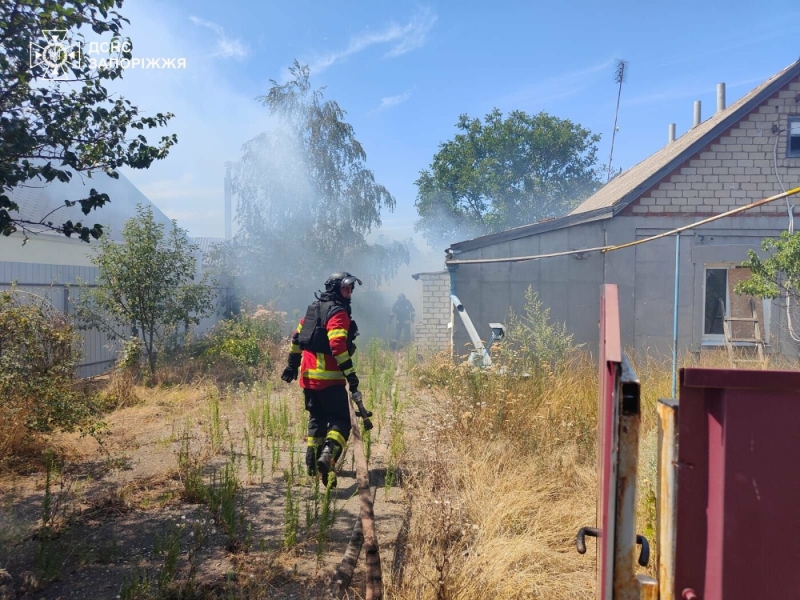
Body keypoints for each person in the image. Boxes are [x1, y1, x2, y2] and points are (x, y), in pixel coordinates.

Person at [281, 272, 362, 487]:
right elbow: (337, 345)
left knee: (316, 419)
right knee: (341, 421)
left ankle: (311, 463)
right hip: (330, 380)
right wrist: (351, 375)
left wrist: (292, 366)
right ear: (336, 289)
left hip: (308, 380)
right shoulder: (338, 313)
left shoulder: (312, 310)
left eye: (351, 289)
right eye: (346, 289)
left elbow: (296, 340)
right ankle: (328, 457)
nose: (350, 293)